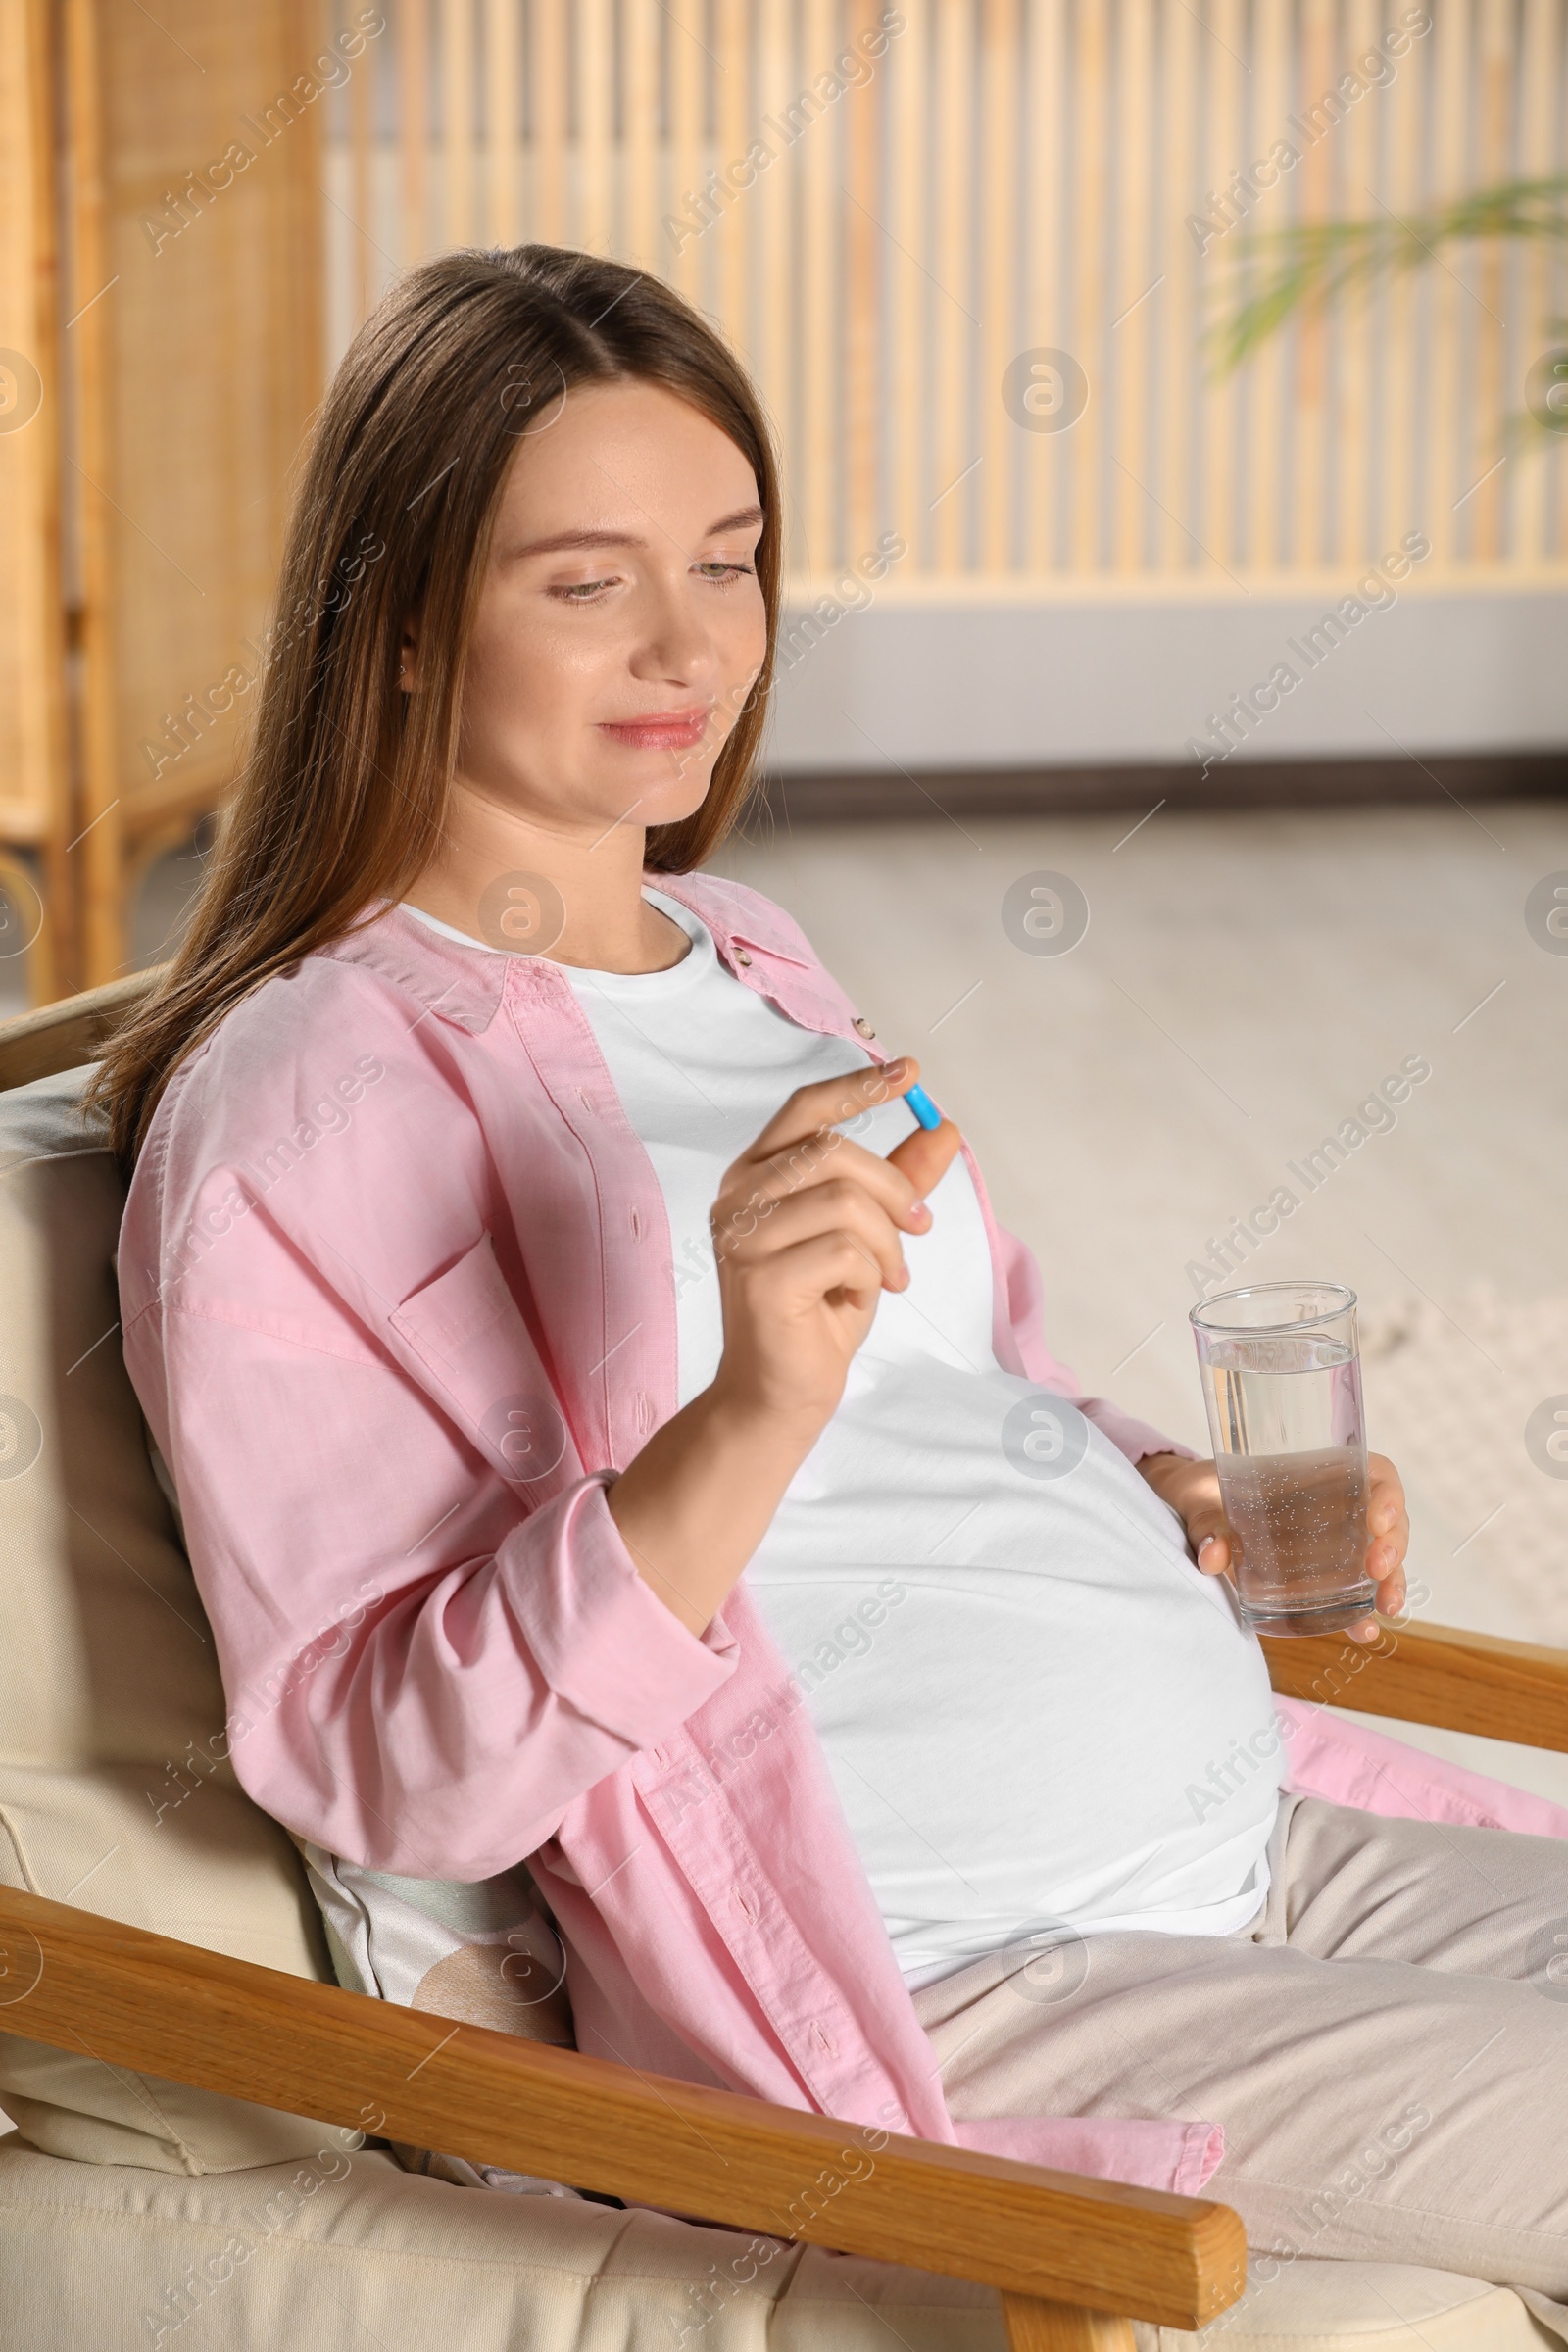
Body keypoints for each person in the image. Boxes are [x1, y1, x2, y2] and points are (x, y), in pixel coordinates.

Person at [96, 245, 1568, 2330]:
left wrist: (1169, 1495)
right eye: (585, 580)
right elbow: (388, 1757)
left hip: (1260, 1826)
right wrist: (740, 1423)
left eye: (730, 558)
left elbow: (984, 1384)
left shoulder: (754, 952)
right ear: (400, 622)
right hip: (974, 1970)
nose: (686, 644)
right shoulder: (301, 1108)